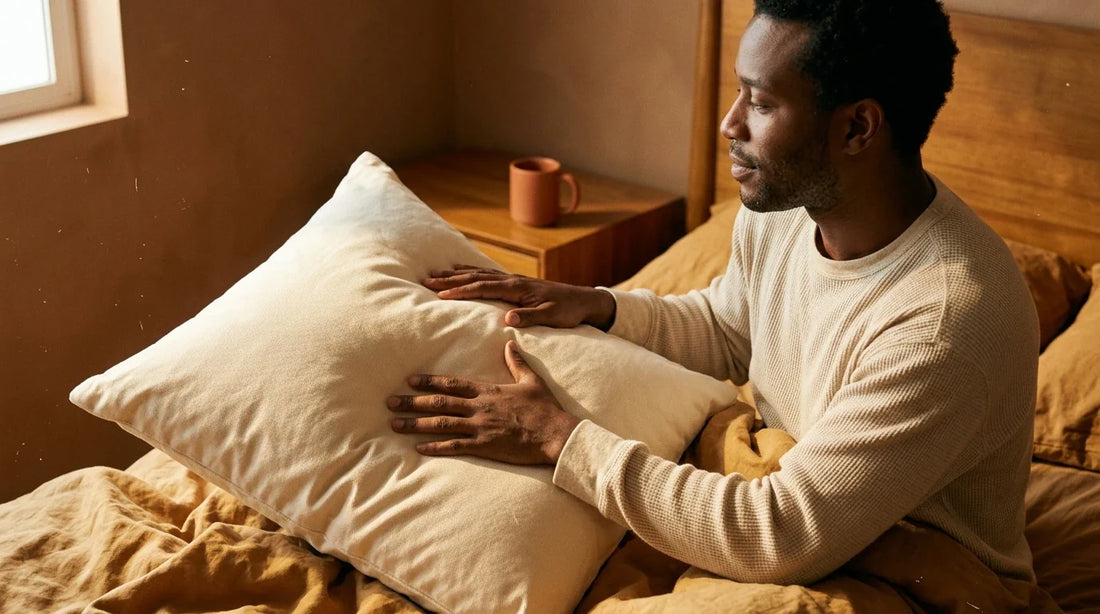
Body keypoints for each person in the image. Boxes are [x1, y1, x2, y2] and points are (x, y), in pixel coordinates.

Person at [387, 0, 1040, 585]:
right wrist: (598, 305)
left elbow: (779, 535)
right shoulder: (784, 206)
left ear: (857, 129)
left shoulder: (944, 321)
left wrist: (559, 437)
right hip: (794, 501)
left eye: (761, 103)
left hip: (910, 572)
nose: (730, 123)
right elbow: (731, 330)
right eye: (738, 92)